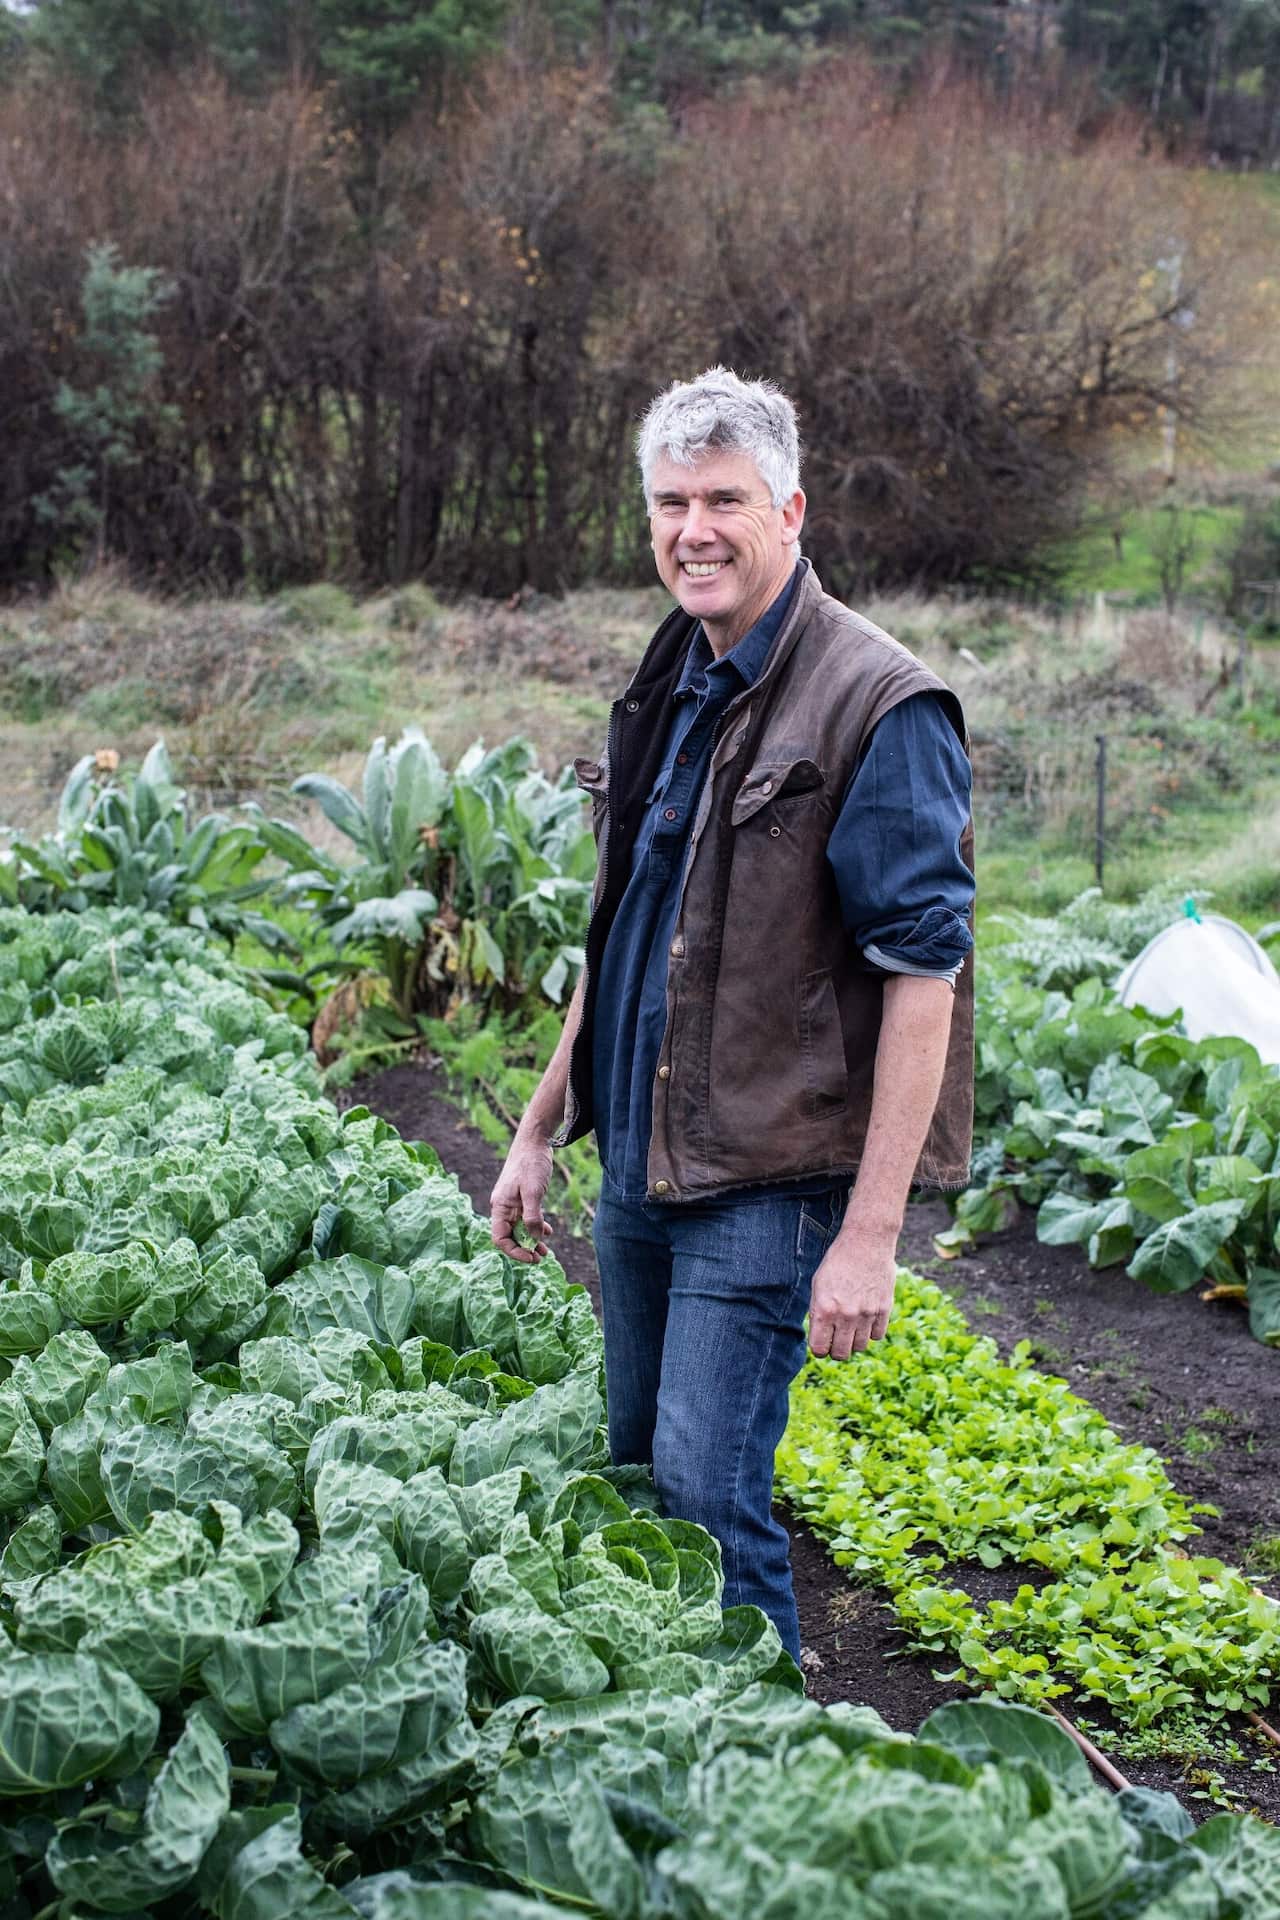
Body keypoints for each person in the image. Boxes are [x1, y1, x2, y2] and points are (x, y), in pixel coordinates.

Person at [490, 367, 974, 1666]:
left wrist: (872, 1236)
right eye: (670, 503)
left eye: (723, 500)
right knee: (645, 1474)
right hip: (641, 1163)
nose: (692, 529)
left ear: (791, 509)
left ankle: (763, 1765)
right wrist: (541, 1127)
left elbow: (927, 979)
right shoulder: (673, 682)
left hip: (768, 1174)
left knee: (708, 1500)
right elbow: (625, 933)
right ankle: (666, 1741)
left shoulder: (880, 702)